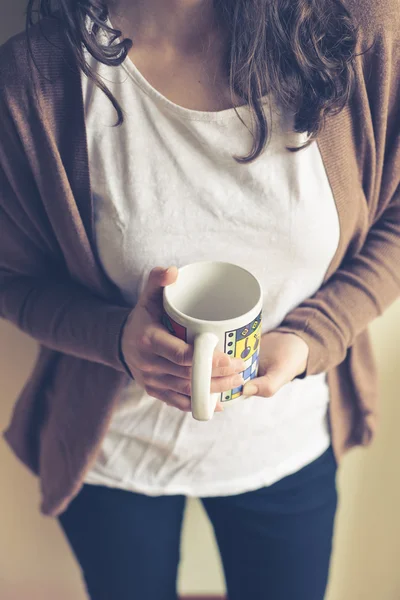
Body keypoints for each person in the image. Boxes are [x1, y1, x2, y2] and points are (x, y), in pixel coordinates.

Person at [1, 0, 399, 598]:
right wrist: (114, 339)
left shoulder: (357, 31)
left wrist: (312, 338)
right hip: (116, 458)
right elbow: (11, 277)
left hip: (289, 445)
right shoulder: (35, 81)